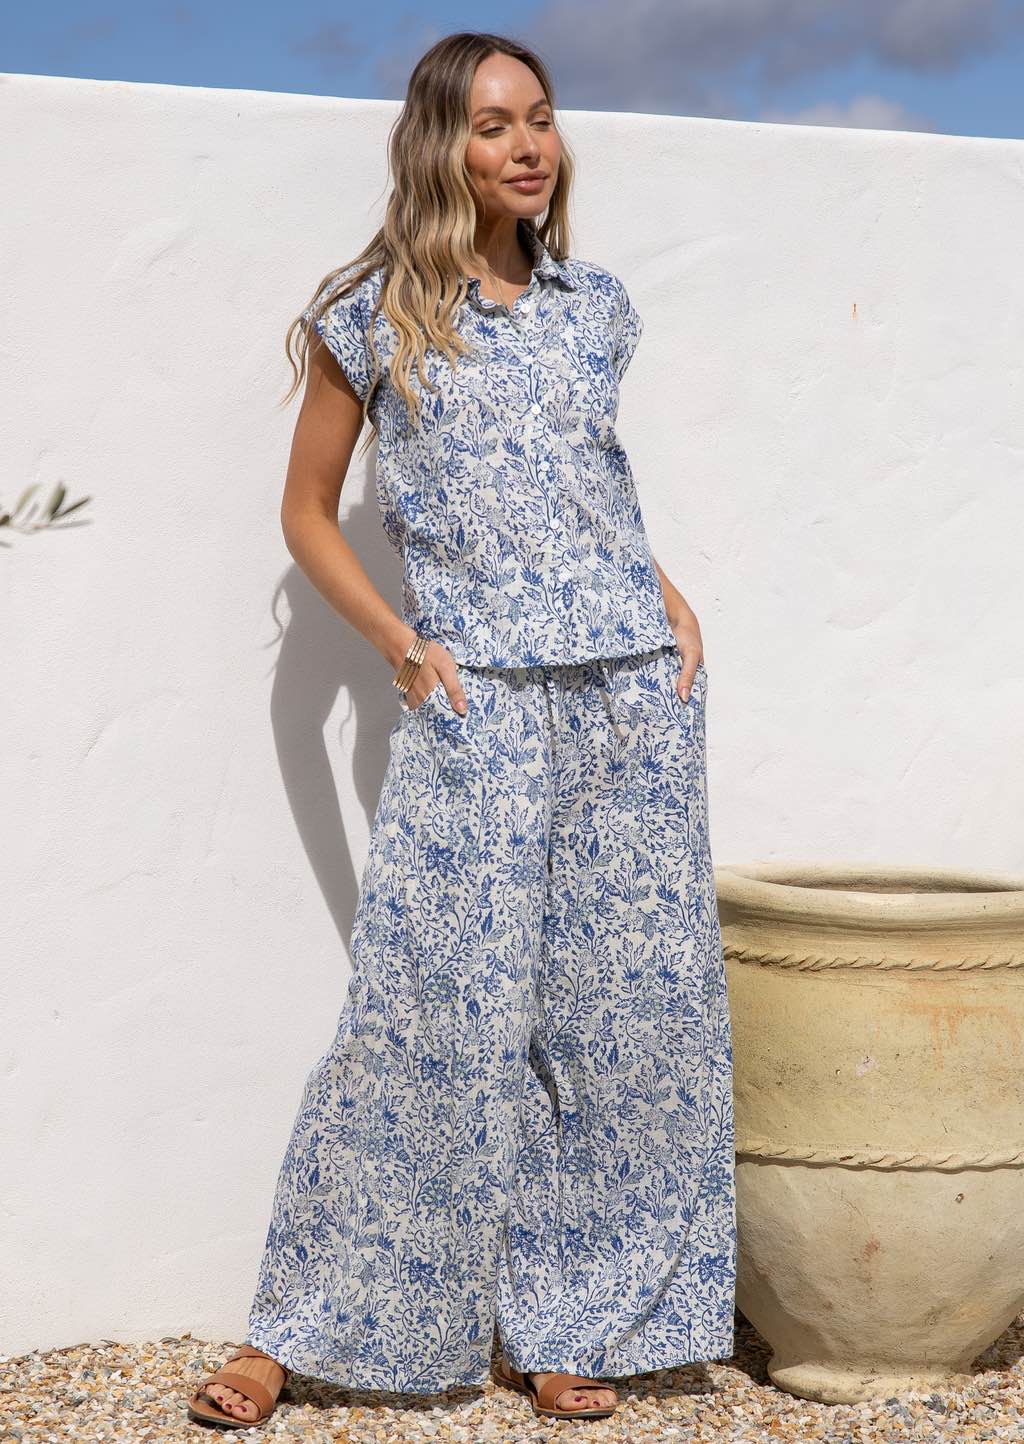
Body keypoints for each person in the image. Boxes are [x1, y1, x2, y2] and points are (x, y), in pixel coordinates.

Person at [187, 29, 735, 1432]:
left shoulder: (596, 308)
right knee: (426, 1013)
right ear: (444, 144)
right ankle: (297, 1331)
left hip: (627, 689)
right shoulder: (372, 316)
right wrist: (401, 646)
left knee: (626, 1021)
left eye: (541, 119)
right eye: (495, 125)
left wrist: (668, 607)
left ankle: (573, 1325)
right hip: (477, 693)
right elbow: (309, 511)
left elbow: (589, 494)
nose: (529, 146)